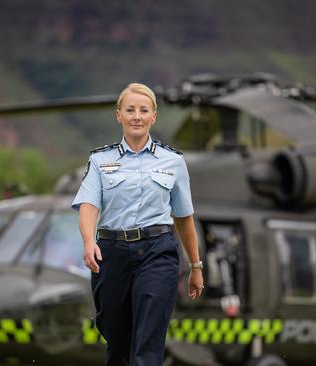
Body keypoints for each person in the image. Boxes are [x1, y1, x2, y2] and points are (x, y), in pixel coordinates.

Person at [72, 82, 204, 366]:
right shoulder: (99, 160)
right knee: (118, 342)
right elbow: (88, 206)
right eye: (130, 110)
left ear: (153, 116)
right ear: (118, 114)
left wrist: (195, 266)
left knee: (148, 341)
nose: (137, 116)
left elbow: (183, 217)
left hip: (158, 251)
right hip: (111, 252)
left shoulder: (174, 161)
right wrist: (88, 241)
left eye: (144, 110)